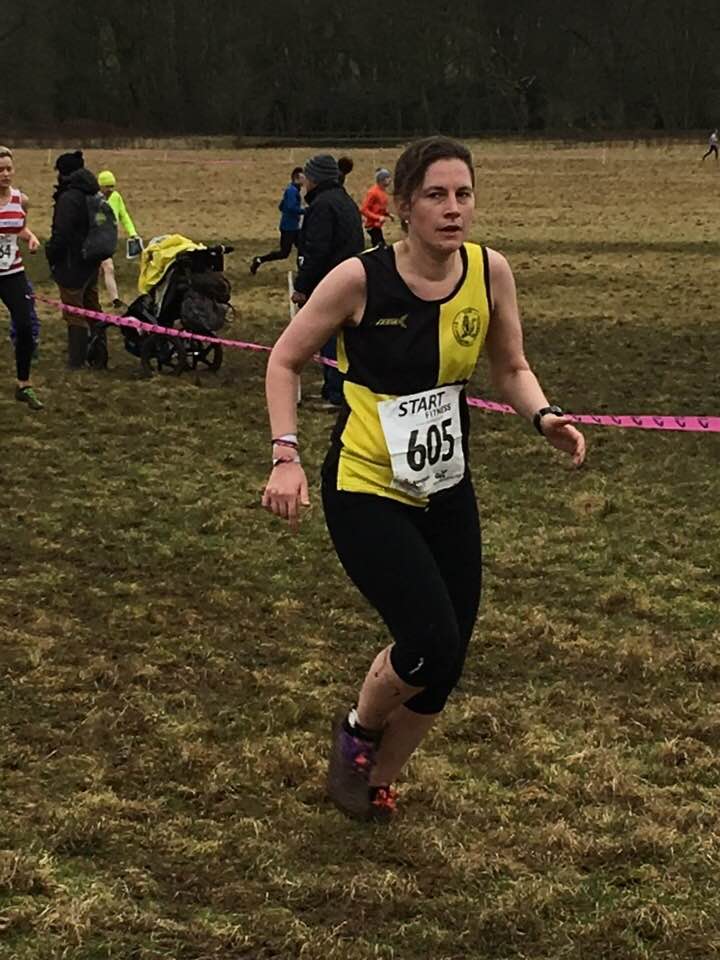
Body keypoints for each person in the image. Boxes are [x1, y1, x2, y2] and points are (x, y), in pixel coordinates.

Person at [262, 135, 586, 823]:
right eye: (436, 195)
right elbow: (284, 360)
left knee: (450, 656)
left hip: (445, 485)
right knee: (428, 639)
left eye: (463, 194)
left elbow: (511, 366)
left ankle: (377, 779)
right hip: (367, 488)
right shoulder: (358, 279)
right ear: (404, 206)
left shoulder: (490, 271)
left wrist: (543, 417)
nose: (453, 208)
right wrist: (285, 455)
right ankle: (357, 730)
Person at [291, 154, 364, 407]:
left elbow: (317, 250)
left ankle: (336, 394)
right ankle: (333, 388)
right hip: (349, 280)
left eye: (307, 177)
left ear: (315, 178)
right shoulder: (344, 201)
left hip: (331, 283)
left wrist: (302, 286)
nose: (304, 182)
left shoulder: (322, 206)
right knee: (340, 338)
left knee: (329, 337)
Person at [45, 151, 107, 369]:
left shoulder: (69, 198)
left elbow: (61, 234)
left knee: (74, 312)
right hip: (91, 260)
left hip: (72, 263)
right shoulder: (93, 193)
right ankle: (100, 355)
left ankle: (77, 361)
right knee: (92, 308)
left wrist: (51, 253)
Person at [0, 146, 43, 410]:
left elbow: (20, 228)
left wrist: (31, 238)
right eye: (0, 170)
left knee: (25, 326)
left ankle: (24, 385)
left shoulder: (21, 200)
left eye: (8, 169)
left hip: (12, 272)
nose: (5, 174)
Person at [250, 167, 305, 275]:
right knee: (284, 253)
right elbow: (290, 208)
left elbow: (281, 206)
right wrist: (305, 211)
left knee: (303, 248)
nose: (305, 179)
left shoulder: (292, 190)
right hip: (289, 228)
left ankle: (302, 270)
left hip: (293, 227)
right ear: (296, 178)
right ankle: (259, 260)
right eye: (303, 177)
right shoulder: (292, 191)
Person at [97, 169, 140, 309]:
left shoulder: (116, 197)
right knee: (104, 267)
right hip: (94, 239)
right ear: (100, 186)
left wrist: (132, 233)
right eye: (107, 186)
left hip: (107, 240)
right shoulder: (93, 199)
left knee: (108, 268)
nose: (110, 189)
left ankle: (114, 300)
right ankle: (108, 298)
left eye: (112, 186)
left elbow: (124, 216)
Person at [359, 167, 394, 247]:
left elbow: (379, 207)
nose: (390, 180)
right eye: (387, 178)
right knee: (380, 247)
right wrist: (378, 217)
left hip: (377, 226)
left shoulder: (382, 191)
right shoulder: (373, 192)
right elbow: (363, 209)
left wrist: (387, 214)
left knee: (380, 247)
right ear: (381, 180)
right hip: (372, 226)